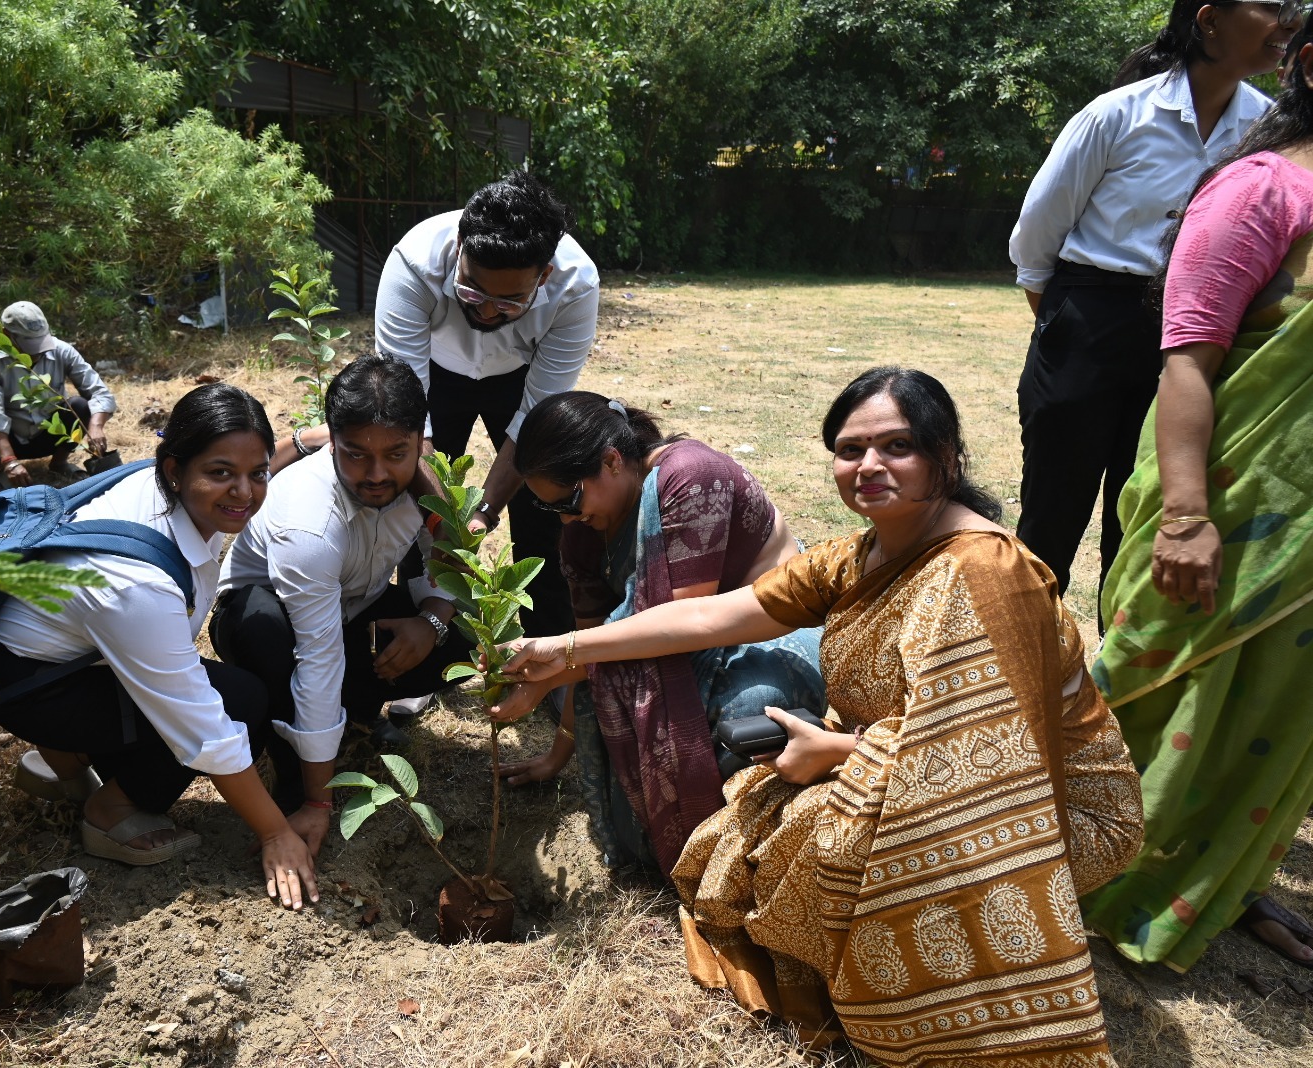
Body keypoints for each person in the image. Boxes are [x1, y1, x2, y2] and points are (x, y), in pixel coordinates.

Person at [503, 368, 1144, 1065]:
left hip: (1040, 803)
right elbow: (713, 614)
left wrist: (839, 755)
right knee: (748, 833)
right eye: (849, 449)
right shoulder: (860, 555)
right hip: (902, 756)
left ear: (946, 457)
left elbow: (994, 752)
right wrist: (561, 649)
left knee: (810, 836)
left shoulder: (985, 572)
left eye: (896, 446)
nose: (868, 465)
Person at [1081, 24, 1313, 974]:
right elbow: (1189, 357)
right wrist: (1187, 517)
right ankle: (1065, 871)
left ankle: (1213, 883)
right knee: (1155, 690)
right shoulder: (1264, 190)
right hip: (1232, 507)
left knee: (1273, 714)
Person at [0, 382, 319, 909]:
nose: (244, 493)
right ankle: (108, 813)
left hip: (40, 656)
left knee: (179, 688)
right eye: (221, 473)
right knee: (240, 702)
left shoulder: (152, 486)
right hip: (27, 684)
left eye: (257, 474)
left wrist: (313, 438)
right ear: (174, 470)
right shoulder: (138, 581)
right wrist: (276, 832)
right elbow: (199, 721)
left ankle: (68, 770)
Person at [1008, 0, 1295, 599]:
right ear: (1210, 20)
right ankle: (1023, 671)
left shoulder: (1268, 131)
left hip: (1199, 334)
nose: (1288, 20)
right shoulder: (1120, 115)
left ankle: (1121, 678)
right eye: (1272, 5)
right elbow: (1038, 231)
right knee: (1052, 517)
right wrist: (1063, 327)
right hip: (1090, 318)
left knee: (1141, 520)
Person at [490, 391, 825, 876]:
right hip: (676, 639)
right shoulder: (583, 534)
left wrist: (562, 657)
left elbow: (685, 623)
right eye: (550, 510)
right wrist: (555, 746)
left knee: (750, 709)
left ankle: (727, 846)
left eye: (570, 500)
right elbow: (593, 640)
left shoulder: (690, 476)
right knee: (611, 699)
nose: (566, 518)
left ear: (611, 461)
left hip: (767, 635)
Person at [208, 355, 473, 848]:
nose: (376, 474)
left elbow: (447, 568)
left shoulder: (424, 485)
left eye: (396, 453)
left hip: (354, 604)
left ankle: (358, 715)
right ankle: (292, 770)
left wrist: (432, 621)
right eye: (355, 454)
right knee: (269, 636)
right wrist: (317, 802)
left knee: (461, 634)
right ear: (332, 441)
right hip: (266, 611)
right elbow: (318, 655)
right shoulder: (309, 522)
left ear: (421, 442)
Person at [373, 169, 600, 644]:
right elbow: (407, 418)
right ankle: (427, 647)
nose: (488, 310)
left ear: (544, 276)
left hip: (520, 378)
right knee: (421, 508)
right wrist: (446, 522)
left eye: (511, 300)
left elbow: (536, 418)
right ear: (459, 248)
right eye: (472, 290)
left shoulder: (576, 287)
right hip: (433, 377)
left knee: (545, 501)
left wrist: (485, 512)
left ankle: (548, 644)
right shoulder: (413, 264)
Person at [0, 300, 117, 493]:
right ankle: (4, 468)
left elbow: (100, 392)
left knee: (79, 405)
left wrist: (96, 427)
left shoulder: (62, 350)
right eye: (29, 345)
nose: (37, 352)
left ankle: (59, 462)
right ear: (6, 335)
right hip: (8, 440)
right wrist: (9, 461)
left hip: (51, 436)